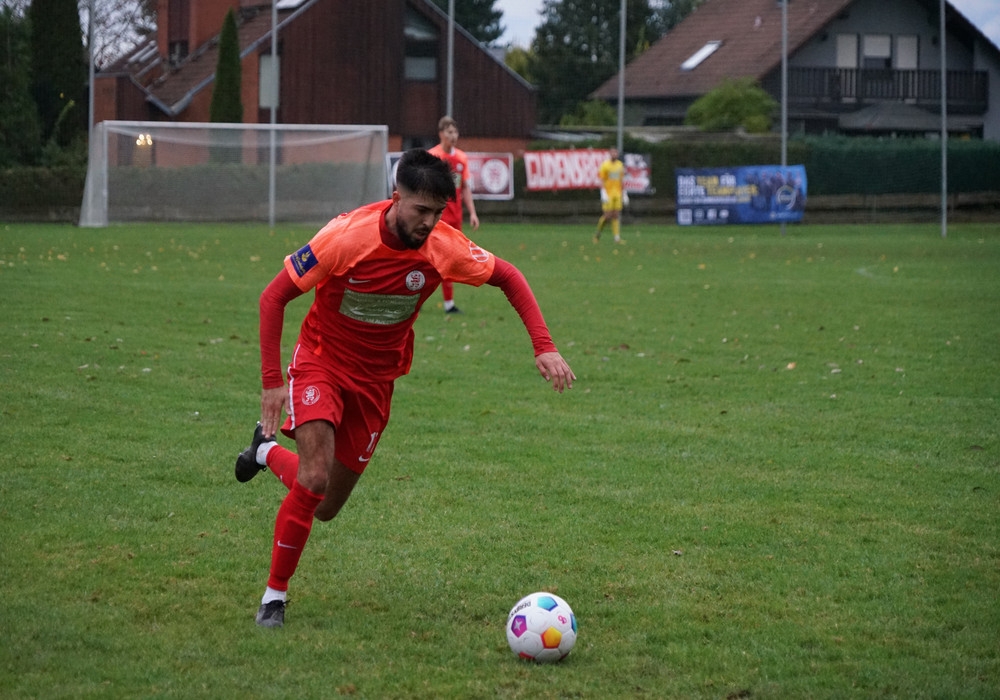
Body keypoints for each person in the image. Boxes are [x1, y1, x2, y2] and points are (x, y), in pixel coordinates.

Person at [233, 148, 576, 629]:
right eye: (421, 210)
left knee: (325, 506)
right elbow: (274, 297)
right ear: (396, 198)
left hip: (376, 383)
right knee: (313, 477)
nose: (429, 222)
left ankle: (265, 451)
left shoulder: (444, 245)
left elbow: (508, 276)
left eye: (438, 212)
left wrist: (544, 346)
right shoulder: (345, 237)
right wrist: (272, 383)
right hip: (321, 364)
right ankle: (274, 597)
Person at [428, 115, 480, 313]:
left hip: (455, 217)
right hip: (436, 217)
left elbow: (464, 187)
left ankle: (448, 303)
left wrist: (472, 213)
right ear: (441, 134)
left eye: (455, 132)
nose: (453, 136)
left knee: (448, 259)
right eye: (450, 132)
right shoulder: (433, 156)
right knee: (430, 258)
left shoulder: (461, 158)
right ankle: (416, 296)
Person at [594, 148, 626, 244]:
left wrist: (624, 193)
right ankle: (598, 234)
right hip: (608, 194)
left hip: (617, 193)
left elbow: (621, 180)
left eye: (616, 153)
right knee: (607, 216)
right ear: (610, 154)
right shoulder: (605, 165)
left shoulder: (620, 165)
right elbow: (602, 179)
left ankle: (616, 238)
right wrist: (603, 192)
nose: (614, 154)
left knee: (616, 215)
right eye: (612, 153)